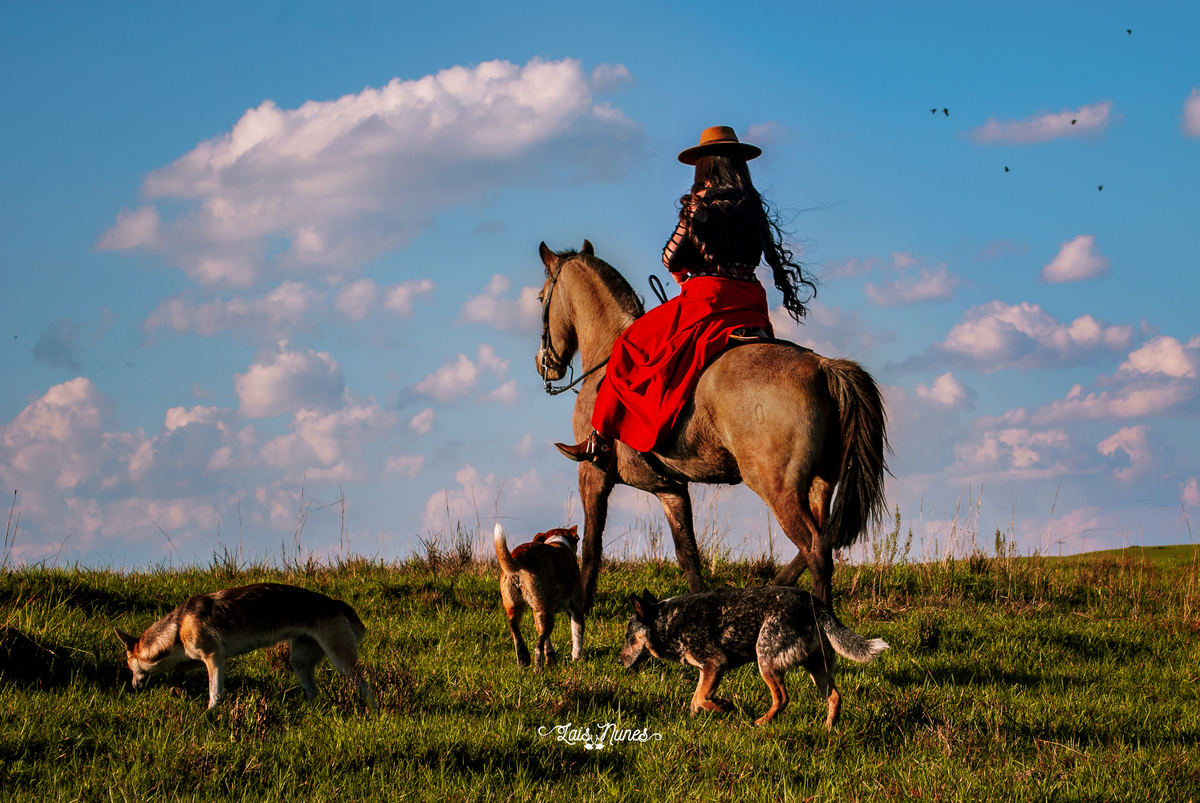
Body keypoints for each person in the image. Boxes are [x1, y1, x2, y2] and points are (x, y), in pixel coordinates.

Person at [555, 126, 815, 467]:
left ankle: (599, 441)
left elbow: (670, 257)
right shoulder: (751, 204)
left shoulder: (700, 202)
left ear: (704, 164)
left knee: (628, 345)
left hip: (709, 298)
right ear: (737, 163)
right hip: (750, 302)